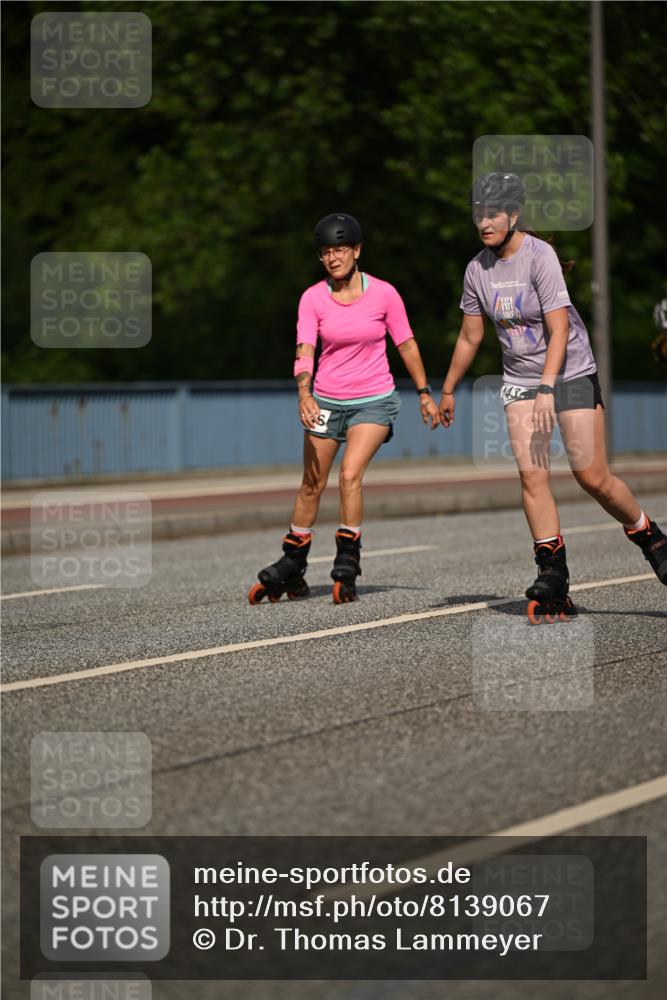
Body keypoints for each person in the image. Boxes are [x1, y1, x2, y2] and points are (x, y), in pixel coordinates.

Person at [438, 172, 667, 623]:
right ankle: (553, 575)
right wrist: (447, 389)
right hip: (521, 378)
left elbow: (559, 329)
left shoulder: (539, 256)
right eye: (478, 213)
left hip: (571, 371)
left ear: (514, 215)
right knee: (532, 476)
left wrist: (548, 389)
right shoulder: (475, 270)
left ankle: (651, 537)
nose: (483, 222)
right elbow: (470, 336)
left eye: (493, 213)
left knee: (592, 476)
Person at [248, 212, 439, 605]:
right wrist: (304, 394)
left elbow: (406, 344)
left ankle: (347, 557)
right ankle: (293, 562)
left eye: (339, 250)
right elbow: (305, 349)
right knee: (311, 482)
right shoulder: (312, 298)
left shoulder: (385, 294)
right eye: (325, 252)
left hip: (374, 400)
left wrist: (423, 392)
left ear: (356, 251)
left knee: (349, 474)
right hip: (326, 400)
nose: (332, 258)